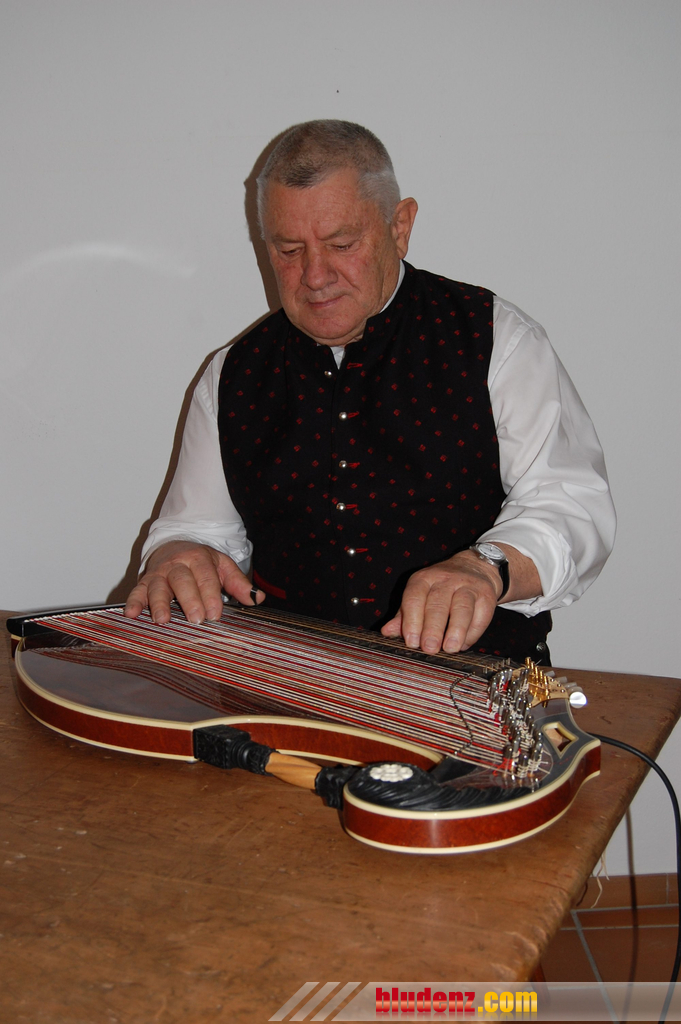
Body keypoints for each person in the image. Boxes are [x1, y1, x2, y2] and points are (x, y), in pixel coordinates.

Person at [125, 120, 615, 661]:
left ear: (400, 227)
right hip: (291, 687)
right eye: (289, 250)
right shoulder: (233, 373)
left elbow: (571, 507)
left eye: (341, 244)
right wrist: (178, 555)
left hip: (475, 687)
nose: (314, 275)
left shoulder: (496, 339)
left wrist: (487, 566)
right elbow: (196, 530)